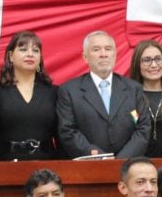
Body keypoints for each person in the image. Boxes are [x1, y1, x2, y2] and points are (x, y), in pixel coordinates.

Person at [56, 30, 152, 159]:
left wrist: (121, 160)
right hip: (87, 166)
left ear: (115, 54)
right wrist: (98, 156)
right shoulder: (69, 90)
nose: (103, 54)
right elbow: (67, 131)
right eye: (96, 49)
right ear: (85, 57)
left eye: (108, 49)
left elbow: (143, 128)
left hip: (128, 167)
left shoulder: (133, 89)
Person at [0, 31, 59, 160]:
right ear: (10, 56)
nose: (30, 54)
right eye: (23, 49)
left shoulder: (54, 92)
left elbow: (61, 135)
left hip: (48, 168)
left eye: (35, 50)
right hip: (4, 165)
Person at [127, 39, 162, 158]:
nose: (154, 65)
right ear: (137, 64)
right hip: (139, 164)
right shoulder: (129, 97)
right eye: (147, 60)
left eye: (158, 59)